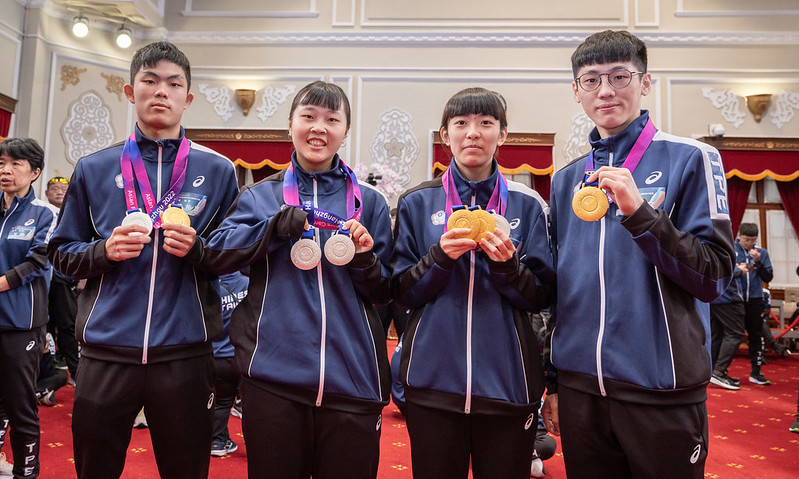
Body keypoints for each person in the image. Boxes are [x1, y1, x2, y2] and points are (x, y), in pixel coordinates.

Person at [542, 30, 735, 479]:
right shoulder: (567, 179)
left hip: (660, 387)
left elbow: (714, 276)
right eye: (591, 80)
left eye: (619, 76)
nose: (605, 90)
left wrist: (641, 215)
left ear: (645, 82)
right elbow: (560, 289)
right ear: (576, 91)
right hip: (581, 390)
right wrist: (554, 381)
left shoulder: (692, 158)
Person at [46, 41, 239, 479]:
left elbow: (233, 258)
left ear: (188, 98)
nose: (161, 91)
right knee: (95, 468)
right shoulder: (94, 167)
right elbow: (60, 253)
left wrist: (199, 250)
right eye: (149, 81)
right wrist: (104, 251)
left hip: (185, 352)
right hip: (106, 351)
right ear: (131, 92)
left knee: (186, 469)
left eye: (173, 84)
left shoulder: (219, 170)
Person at [202, 81, 393, 479]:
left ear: (345, 131)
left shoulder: (369, 202)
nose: (319, 127)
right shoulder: (260, 196)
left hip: (352, 380)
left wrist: (363, 258)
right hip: (273, 378)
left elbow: (384, 292)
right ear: (290, 125)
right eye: (308, 116)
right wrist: (272, 229)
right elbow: (217, 255)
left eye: (332, 119)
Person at [391, 87, 555, 479]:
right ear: (445, 135)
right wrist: (440, 259)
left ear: (503, 134)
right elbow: (400, 293)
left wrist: (507, 268)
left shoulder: (528, 204)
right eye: (461, 123)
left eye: (486, 123)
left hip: (509, 384)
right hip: (432, 382)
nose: (473, 133)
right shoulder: (417, 202)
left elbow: (542, 296)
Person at [0, 137, 56, 479]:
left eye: (15, 164)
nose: (5, 171)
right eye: (1, 163)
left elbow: (38, 261)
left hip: (22, 325)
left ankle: (26, 472)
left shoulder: (46, 213)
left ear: (34, 172)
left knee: (20, 405)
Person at [43, 176, 81, 383]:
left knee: (68, 324)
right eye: (54, 188)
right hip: (40, 277)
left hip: (63, 277)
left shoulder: (75, 213)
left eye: (63, 189)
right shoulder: (40, 212)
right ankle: (46, 369)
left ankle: (76, 372)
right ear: (46, 193)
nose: (59, 192)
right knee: (44, 324)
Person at [210, 271, 248, 458]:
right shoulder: (248, 284)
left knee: (221, 403)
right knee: (252, 406)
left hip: (219, 356)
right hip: (245, 357)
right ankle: (257, 445)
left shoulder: (212, 287)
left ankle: (218, 441)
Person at [734, 223, 774, 385]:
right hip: (734, 300)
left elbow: (768, 277)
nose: (750, 243)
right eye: (746, 240)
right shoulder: (731, 250)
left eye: (753, 240)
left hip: (755, 300)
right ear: (739, 236)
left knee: (756, 335)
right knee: (730, 336)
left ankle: (756, 372)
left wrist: (759, 262)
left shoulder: (761, 253)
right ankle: (719, 371)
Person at [709, 276, 746, 390]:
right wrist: (740, 270)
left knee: (717, 335)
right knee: (735, 333)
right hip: (728, 297)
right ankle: (718, 372)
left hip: (713, 295)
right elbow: (725, 269)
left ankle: (712, 372)